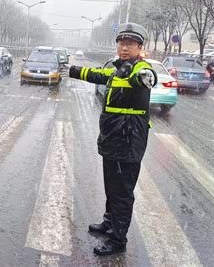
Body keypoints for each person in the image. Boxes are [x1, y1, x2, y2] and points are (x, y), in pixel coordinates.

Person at [69, 23, 157, 256]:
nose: (124, 47)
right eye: (121, 43)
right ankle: (109, 223)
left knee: (122, 193)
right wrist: (71, 70)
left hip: (128, 140)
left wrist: (145, 75)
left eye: (130, 44)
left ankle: (118, 240)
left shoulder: (139, 68)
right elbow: (97, 74)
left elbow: (146, 77)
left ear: (139, 47)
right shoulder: (118, 68)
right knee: (112, 186)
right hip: (112, 138)